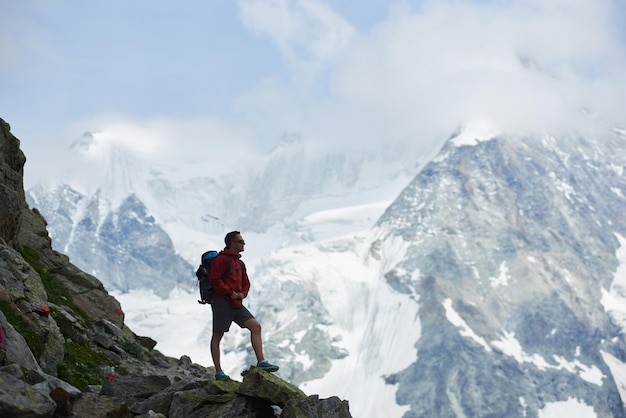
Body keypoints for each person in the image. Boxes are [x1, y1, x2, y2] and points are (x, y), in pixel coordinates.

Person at [209, 230, 279, 380]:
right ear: (232, 243)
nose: (243, 244)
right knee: (217, 335)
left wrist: (242, 294)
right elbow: (214, 280)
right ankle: (218, 371)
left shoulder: (239, 263)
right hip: (222, 302)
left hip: (236, 303)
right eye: (241, 242)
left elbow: (246, 283)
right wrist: (230, 293)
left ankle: (261, 361)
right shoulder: (221, 260)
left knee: (255, 327)